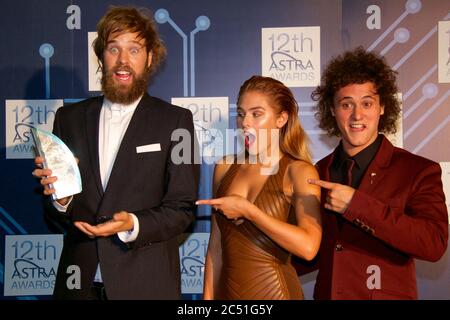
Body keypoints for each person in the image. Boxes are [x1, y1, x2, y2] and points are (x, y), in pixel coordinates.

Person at [32, 6, 199, 299]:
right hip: (78, 286)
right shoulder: (67, 118)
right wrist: (61, 200)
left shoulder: (176, 120)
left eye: (134, 50)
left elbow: (183, 208)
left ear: (149, 58)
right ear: (101, 56)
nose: (123, 61)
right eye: (113, 49)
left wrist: (132, 224)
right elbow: (56, 214)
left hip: (145, 286)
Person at [303, 47, 448, 299]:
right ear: (332, 110)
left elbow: (433, 244)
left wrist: (356, 205)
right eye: (346, 104)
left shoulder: (419, 170)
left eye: (367, 103)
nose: (357, 115)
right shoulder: (318, 171)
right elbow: (313, 251)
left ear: (382, 107)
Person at [196, 75, 322, 300]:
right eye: (242, 114)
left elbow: (309, 247)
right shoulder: (224, 167)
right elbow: (216, 246)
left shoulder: (299, 171)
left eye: (256, 114)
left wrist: (250, 212)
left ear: (281, 119)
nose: (245, 122)